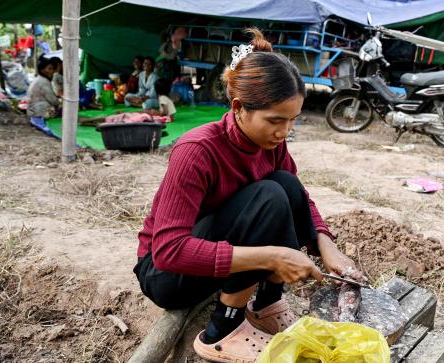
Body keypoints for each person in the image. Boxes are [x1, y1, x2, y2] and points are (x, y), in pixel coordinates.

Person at [133, 29, 362, 362]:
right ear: (239, 108)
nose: (284, 132)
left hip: (211, 256)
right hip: (166, 275)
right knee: (268, 196)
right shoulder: (197, 150)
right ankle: (223, 330)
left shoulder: (272, 145)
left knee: (285, 184)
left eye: (292, 121)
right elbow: (169, 251)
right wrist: (270, 258)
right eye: (275, 121)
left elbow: (300, 199)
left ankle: (266, 304)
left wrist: (327, 246)